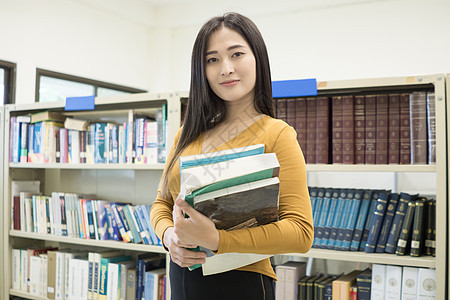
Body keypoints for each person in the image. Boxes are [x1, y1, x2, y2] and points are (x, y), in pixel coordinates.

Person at [150, 12, 313, 300]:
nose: (226, 68)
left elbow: (300, 233)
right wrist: (169, 237)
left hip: (242, 284)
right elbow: (161, 204)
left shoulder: (277, 134)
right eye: (212, 59)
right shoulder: (186, 135)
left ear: (257, 59)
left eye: (236, 54)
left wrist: (218, 240)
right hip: (182, 280)